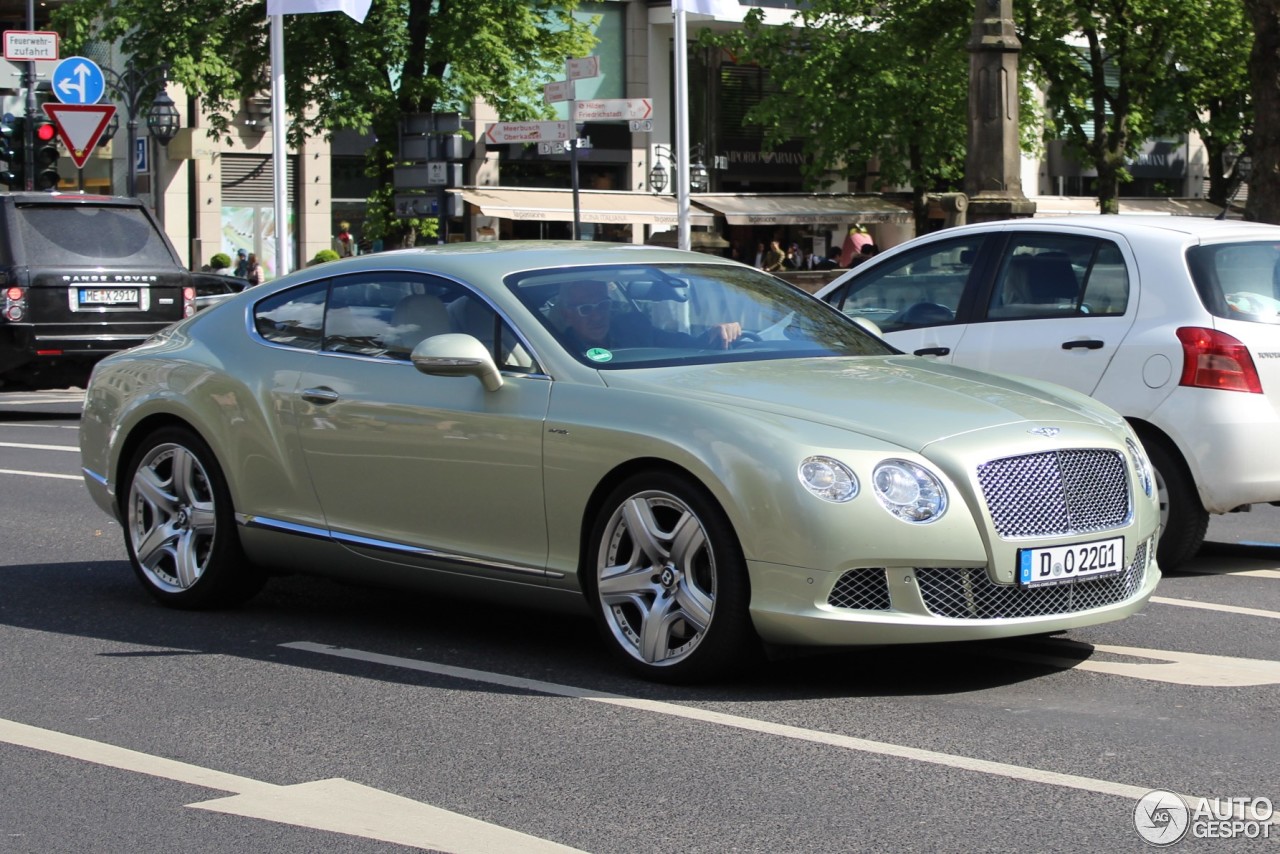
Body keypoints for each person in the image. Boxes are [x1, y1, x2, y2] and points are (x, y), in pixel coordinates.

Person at [552, 279, 742, 353]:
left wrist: (716, 333)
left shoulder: (634, 329)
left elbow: (682, 344)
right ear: (566, 315)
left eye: (603, 305)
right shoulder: (559, 349)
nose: (597, 317)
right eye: (585, 309)